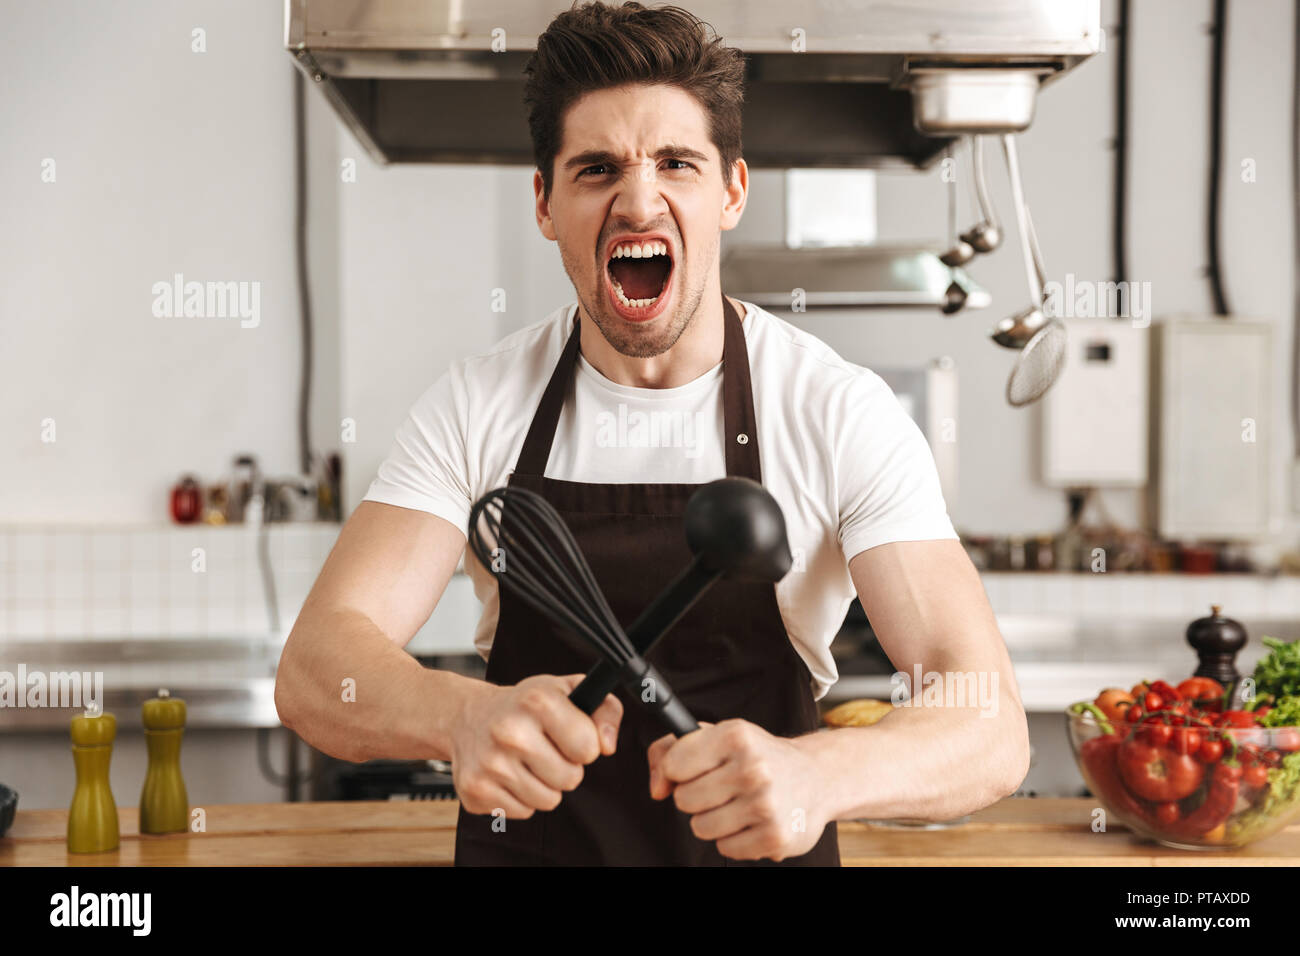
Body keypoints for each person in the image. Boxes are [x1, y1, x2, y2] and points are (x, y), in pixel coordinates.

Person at [275, 1, 1030, 866]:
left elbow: (990, 723)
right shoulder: (475, 404)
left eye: (677, 162)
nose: (639, 200)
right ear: (545, 203)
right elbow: (314, 669)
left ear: (732, 191)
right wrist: (456, 716)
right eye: (597, 169)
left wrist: (822, 775)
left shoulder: (836, 410)